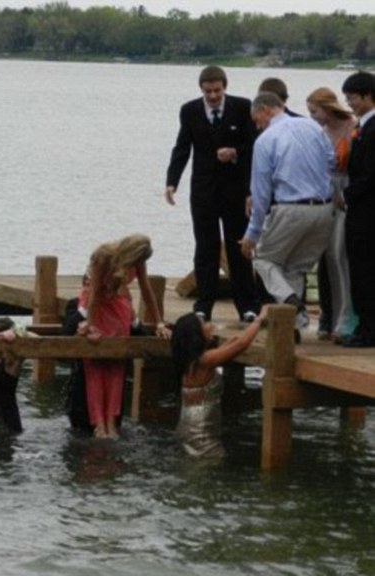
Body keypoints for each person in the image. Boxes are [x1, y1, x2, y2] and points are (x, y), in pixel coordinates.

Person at [165, 65, 259, 323]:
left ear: (225, 87)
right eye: (209, 91)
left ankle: (247, 305)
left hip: (235, 190)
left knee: (238, 247)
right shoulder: (190, 110)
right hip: (203, 191)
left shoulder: (242, 107)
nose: (214, 96)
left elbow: (254, 145)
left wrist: (235, 152)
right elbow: (182, 147)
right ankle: (203, 305)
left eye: (217, 90)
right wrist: (172, 181)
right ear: (202, 90)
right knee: (205, 247)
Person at [240, 92, 334, 339]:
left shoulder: (266, 139)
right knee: (296, 267)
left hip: (291, 208)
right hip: (325, 209)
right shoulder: (313, 126)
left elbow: (260, 193)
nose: (257, 125)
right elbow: (332, 161)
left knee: (263, 259)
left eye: (256, 119)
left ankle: (291, 301)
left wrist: (252, 233)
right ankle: (295, 327)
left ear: (266, 110)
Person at [76, 234, 170, 440]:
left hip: (119, 308)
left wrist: (159, 322)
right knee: (95, 366)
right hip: (99, 306)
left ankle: (111, 421)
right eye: (139, 261)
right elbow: (95, 295)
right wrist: (90, 324)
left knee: (117, 366)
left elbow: (146, 290)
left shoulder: (138, 263)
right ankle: (98, 423)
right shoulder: (102, 256)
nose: (140, 265)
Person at [171, 305, 268, 458]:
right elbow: (240, 345)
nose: (209, 326)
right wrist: (260, 319)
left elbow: (233, 343)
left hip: (188, 428)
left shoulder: (192, 362)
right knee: (207, 468)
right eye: (203, 324)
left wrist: (247, 332)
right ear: (196, 334)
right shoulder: (205, 361)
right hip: (201, 436)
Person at [306, 87, 357, 342]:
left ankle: (347, 314)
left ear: (326, 107)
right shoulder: (322, 133)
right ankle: (333, 313)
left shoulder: (353, 126)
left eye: (315, 111)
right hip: (328, 189)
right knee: (327, 254)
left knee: (340, 252)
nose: (313, 117)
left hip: (347, 188)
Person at [340, 72, 375, 348]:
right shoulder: (362, 127)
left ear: (366, 96)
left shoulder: (372, 129)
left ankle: (368, 328)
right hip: (362, 210)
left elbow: (370, 174)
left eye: (352, 98)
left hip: (367, 212)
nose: (349, 103)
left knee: (364, 269)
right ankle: (365, 324)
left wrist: (346, 194)